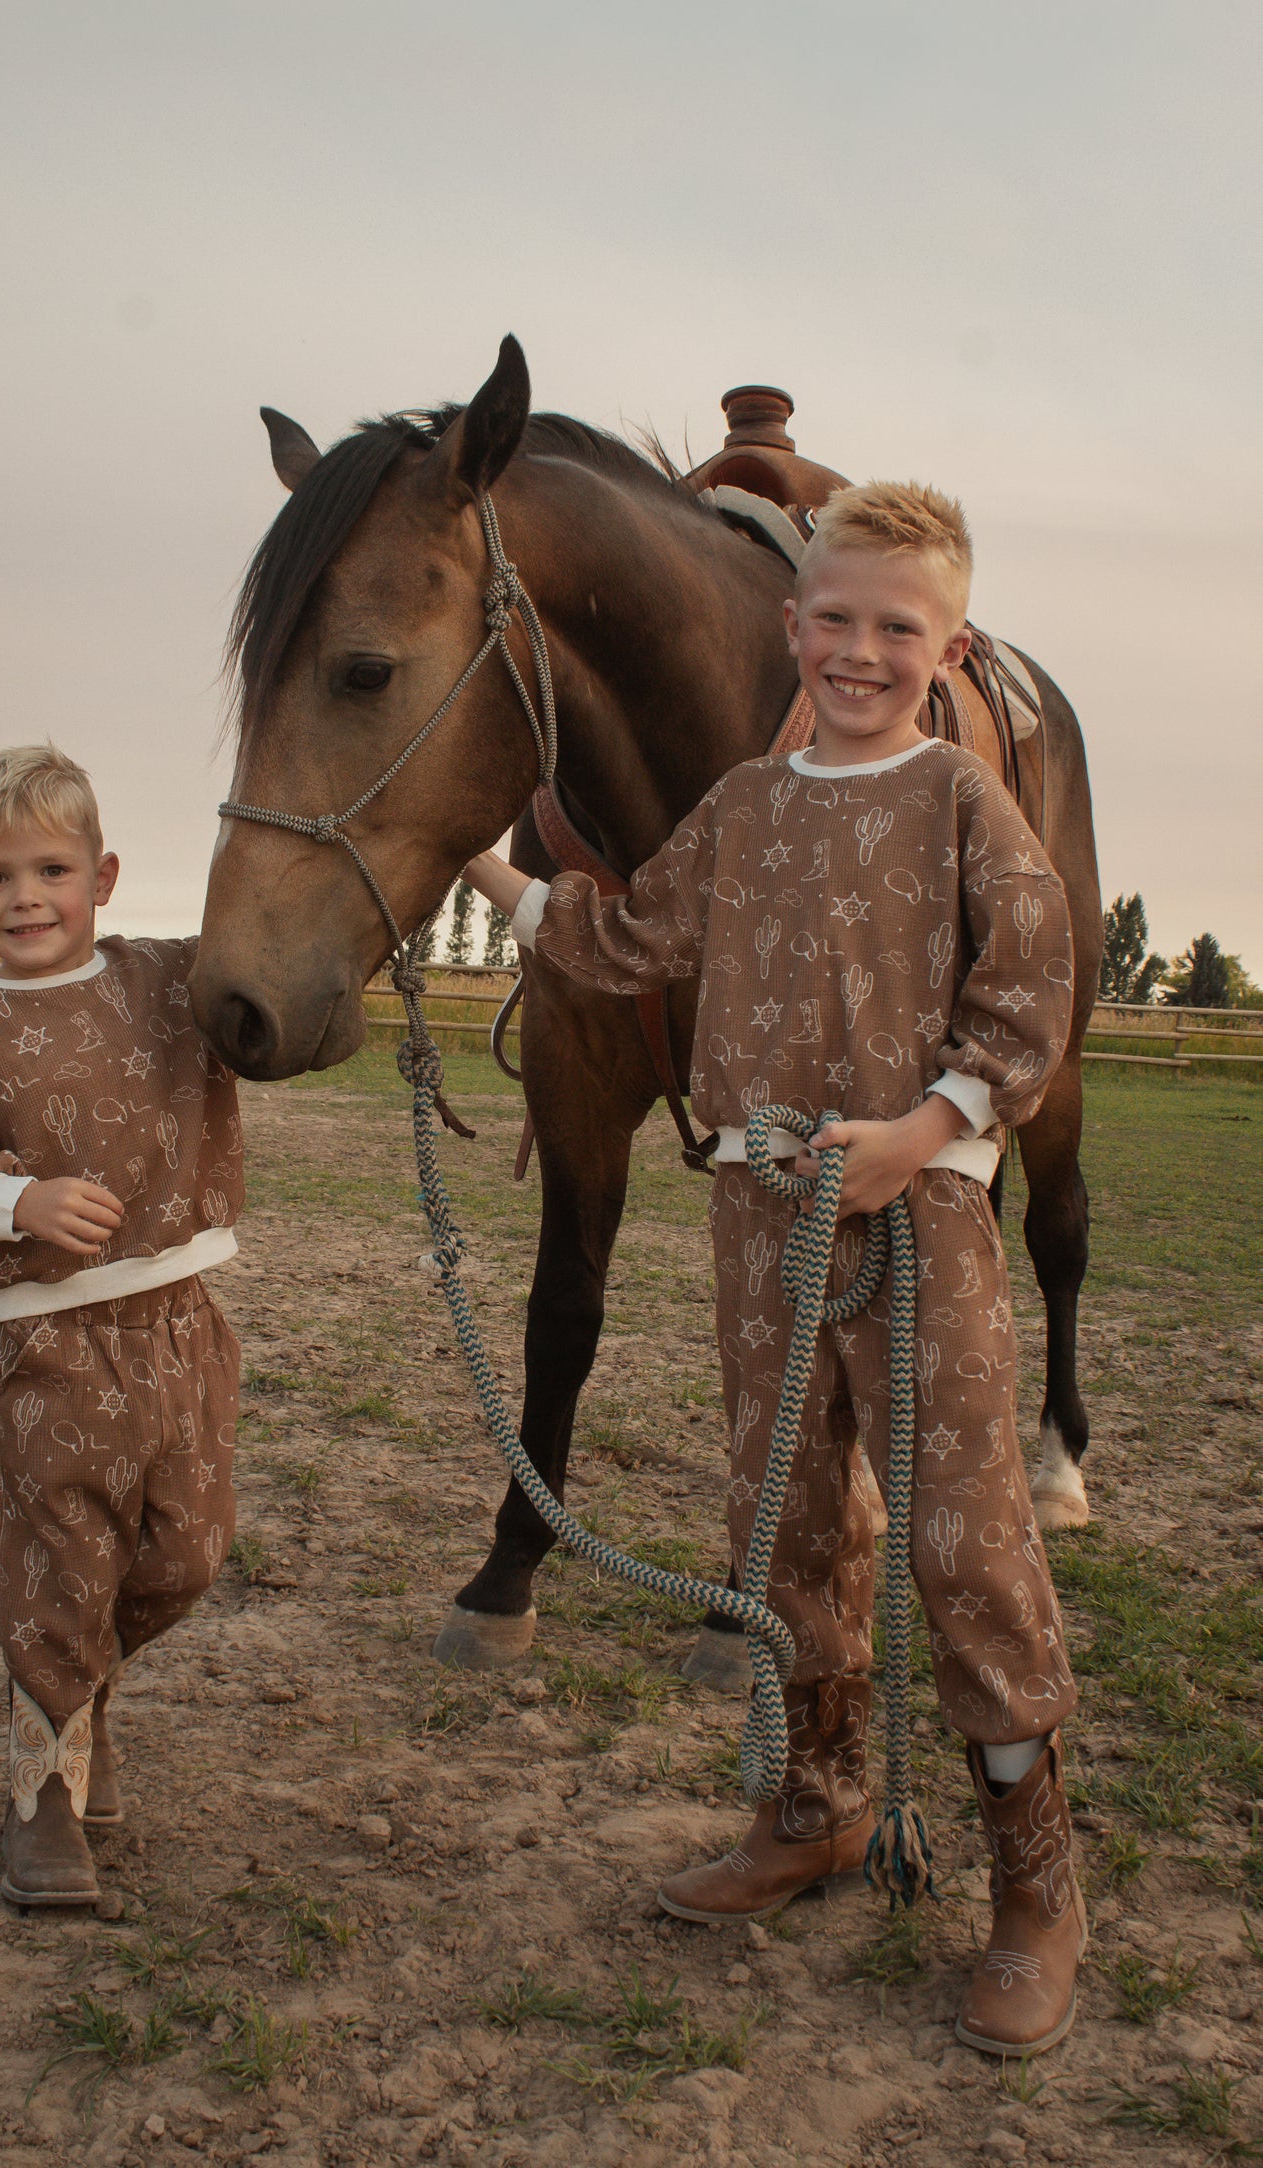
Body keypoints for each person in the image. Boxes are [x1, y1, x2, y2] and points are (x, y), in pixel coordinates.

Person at [465, 481, 1087, 2057]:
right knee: (783, 1520)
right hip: (760, 1220)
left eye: (899, 626)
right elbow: (629, 941)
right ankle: (811, 1808)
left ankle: (1033, 1890)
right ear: (791, 626)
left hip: (918, 1215)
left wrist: (924, 1128)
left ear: (945, 647)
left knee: (960, 1539)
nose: (861, 650)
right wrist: (491, 875)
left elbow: (1029, 992)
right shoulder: (741, 805)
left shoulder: (960, 799)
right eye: (837, 619)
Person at [0, 745, 243, 1909]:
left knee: (183, 1556)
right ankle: (40, 1790)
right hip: (52, 1343)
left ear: (103, 873)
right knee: (60, 1561)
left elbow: (272, 966)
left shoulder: (168, 980)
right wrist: (18, 1198)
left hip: (184, 1322)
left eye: (51, 868)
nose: (25, 897)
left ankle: (78, 1689)